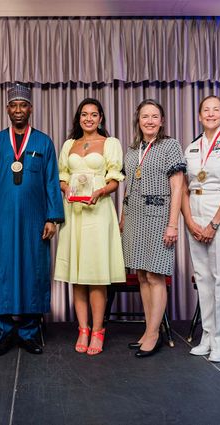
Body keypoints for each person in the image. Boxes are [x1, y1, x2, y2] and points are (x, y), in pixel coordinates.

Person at [0, 84, 64, 357]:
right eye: (14, 105)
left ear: (30, 108)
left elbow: (52, 181)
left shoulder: (43, 142)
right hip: (2, 220)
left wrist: (52, 218)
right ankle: (4, 332)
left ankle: (29, 332)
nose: (18, 110)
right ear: (7, 109)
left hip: (34, 220)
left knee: (33, 270)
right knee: (1, 272)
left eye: (23, 105)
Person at [54, 98, 125, 356]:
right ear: (79, 118)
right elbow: (61, 175)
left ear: (101, 118)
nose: (89, 119)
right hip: (74, 212)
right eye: (84, 114)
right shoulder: (68, 145)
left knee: (96, 276)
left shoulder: (110, 143)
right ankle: (82, 328)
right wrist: (66, 187)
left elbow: (115, 179)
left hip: (98, 212)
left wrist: (101, 191)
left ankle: (98, 330)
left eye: (94, 115)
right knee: (78, 275)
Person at [181, 95, 220, 363]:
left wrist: (214, 224)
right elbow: (182, 187)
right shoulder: (192, 147)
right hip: (195, 213)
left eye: (216, 109)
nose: (210, 114)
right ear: (199, 116)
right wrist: (190, 221)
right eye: (205, 110)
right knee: (204, 280)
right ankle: (207, 336)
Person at [119, 99, 185, 358]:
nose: (149, 121)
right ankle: (148, 330)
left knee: (156, 276)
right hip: (135, 218)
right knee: (143, 276)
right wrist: (123, 217)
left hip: (159, 218)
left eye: (154, 116)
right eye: (145, 116)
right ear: (139, 120)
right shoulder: (132, 150)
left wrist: (173, 224)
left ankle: (155, 333)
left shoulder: (170, 146)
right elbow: (128, 189)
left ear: (162, 120)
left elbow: (178, 187)